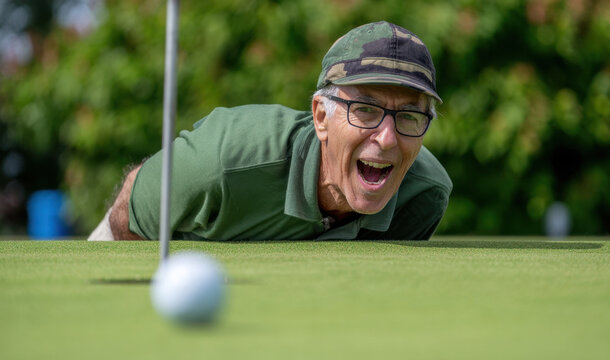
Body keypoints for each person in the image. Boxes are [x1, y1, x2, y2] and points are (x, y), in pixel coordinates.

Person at [88, 21, 452, 241]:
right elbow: (133, 212)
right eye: (366, 110)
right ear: (320, 118)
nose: (387, 138)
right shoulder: (221, 163)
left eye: (408, 116)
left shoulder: (425, 196)